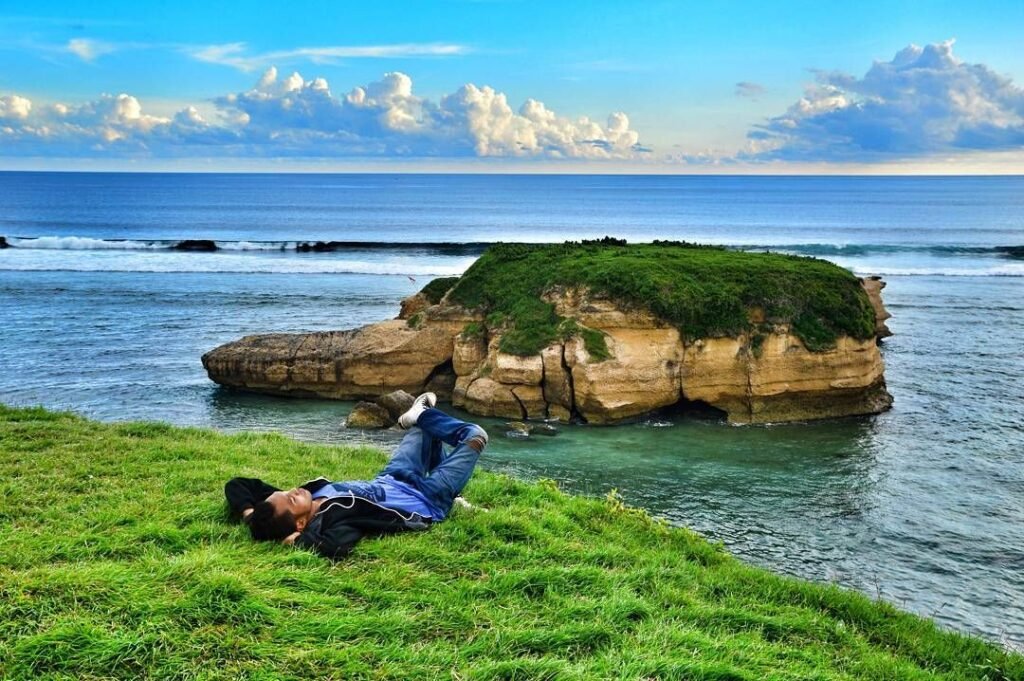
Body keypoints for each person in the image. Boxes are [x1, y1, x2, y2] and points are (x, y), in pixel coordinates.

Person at [224, 393, 488, 559]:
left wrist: (249, 514)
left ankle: (421, 418)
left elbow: (237, 484)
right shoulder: (333, 522)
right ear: (301, 524)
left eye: (285, 492)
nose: (293, 491)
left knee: (425, 428)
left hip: (394, 476)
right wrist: (298, 543)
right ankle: (422, 417)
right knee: (476, 436)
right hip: (429, 499)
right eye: (291, 501)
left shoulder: (303, 496)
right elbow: (336, 547)